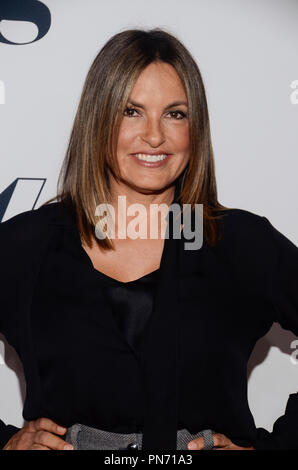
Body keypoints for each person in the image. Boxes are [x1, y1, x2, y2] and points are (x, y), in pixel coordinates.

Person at [0, 28, 298, 451]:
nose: (154, 136)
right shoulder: (27, 245)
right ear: (97, 117)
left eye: (175, 114)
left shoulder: (239, 244)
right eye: (131, 111)